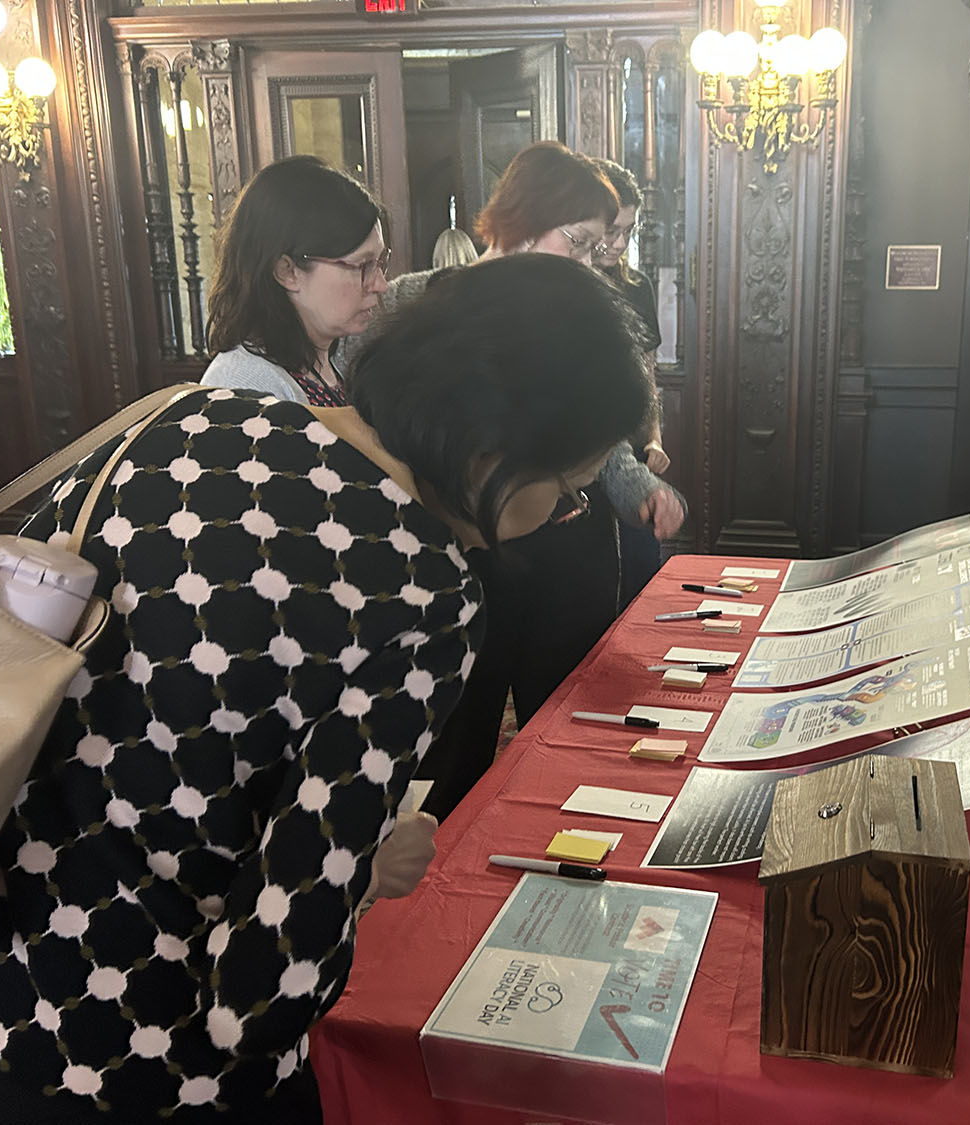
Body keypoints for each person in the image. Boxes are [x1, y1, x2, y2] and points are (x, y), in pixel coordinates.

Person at [0, 254, 652, 1123]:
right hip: (131, 1062)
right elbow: (258, 994)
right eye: (564, 492)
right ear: (494, 448)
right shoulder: (421, 588)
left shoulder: (186, 416)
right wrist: (364, 873)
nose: (558, 518)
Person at [351, 141, 685, 822]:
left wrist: (632, 484)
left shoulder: (580, 310)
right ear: (524, 219)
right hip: (458, 564)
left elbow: (590, 440)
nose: (596, 262)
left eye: (606, 243)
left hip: (560, 556)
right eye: (584, 241)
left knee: (567, 715)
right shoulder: (418, 303)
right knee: (453, 745)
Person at [200, 154, 391, 406]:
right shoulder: (247, 389)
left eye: (380, 263)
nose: (380, 285)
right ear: (286, 271)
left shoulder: (329, 364)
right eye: (362, 265)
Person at [593, 158, 670, 605]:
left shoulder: (637, 286)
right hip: (586, 453)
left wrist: (656, 438)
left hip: (635, 443)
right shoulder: (566, 288)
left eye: (629, 231)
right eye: (611, 231)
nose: (619, 243)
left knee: (643, 568)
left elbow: (648, 373)